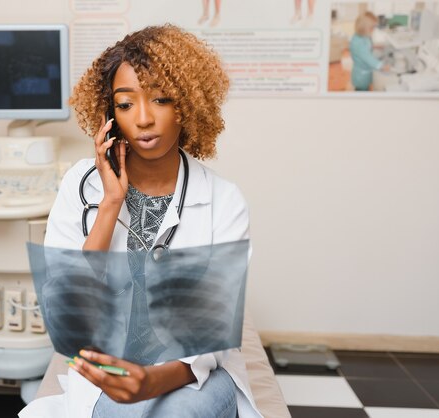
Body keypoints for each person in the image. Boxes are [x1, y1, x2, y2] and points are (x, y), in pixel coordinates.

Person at [23, 24, 262, 418]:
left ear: (186, 104)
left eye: (160, 99)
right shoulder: (79, 188)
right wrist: (110, 204)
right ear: (109, 115)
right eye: (126, 103)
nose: (145, 118)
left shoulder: (224, 200)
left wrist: (151, 382)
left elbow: (209, 334)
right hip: (108, 364)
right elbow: (71, 306)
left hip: (190, 372)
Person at [349, 11, 390, 91]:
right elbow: (369, 58)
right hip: (361, 77)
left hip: (364, 70)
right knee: (362, 91)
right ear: (363, 28)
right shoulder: (358, 43)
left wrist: (375, 46)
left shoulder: (362, 35)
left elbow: (366, 45)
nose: (373, 30)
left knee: (367, 87)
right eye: (372, 28)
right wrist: (382, 66)